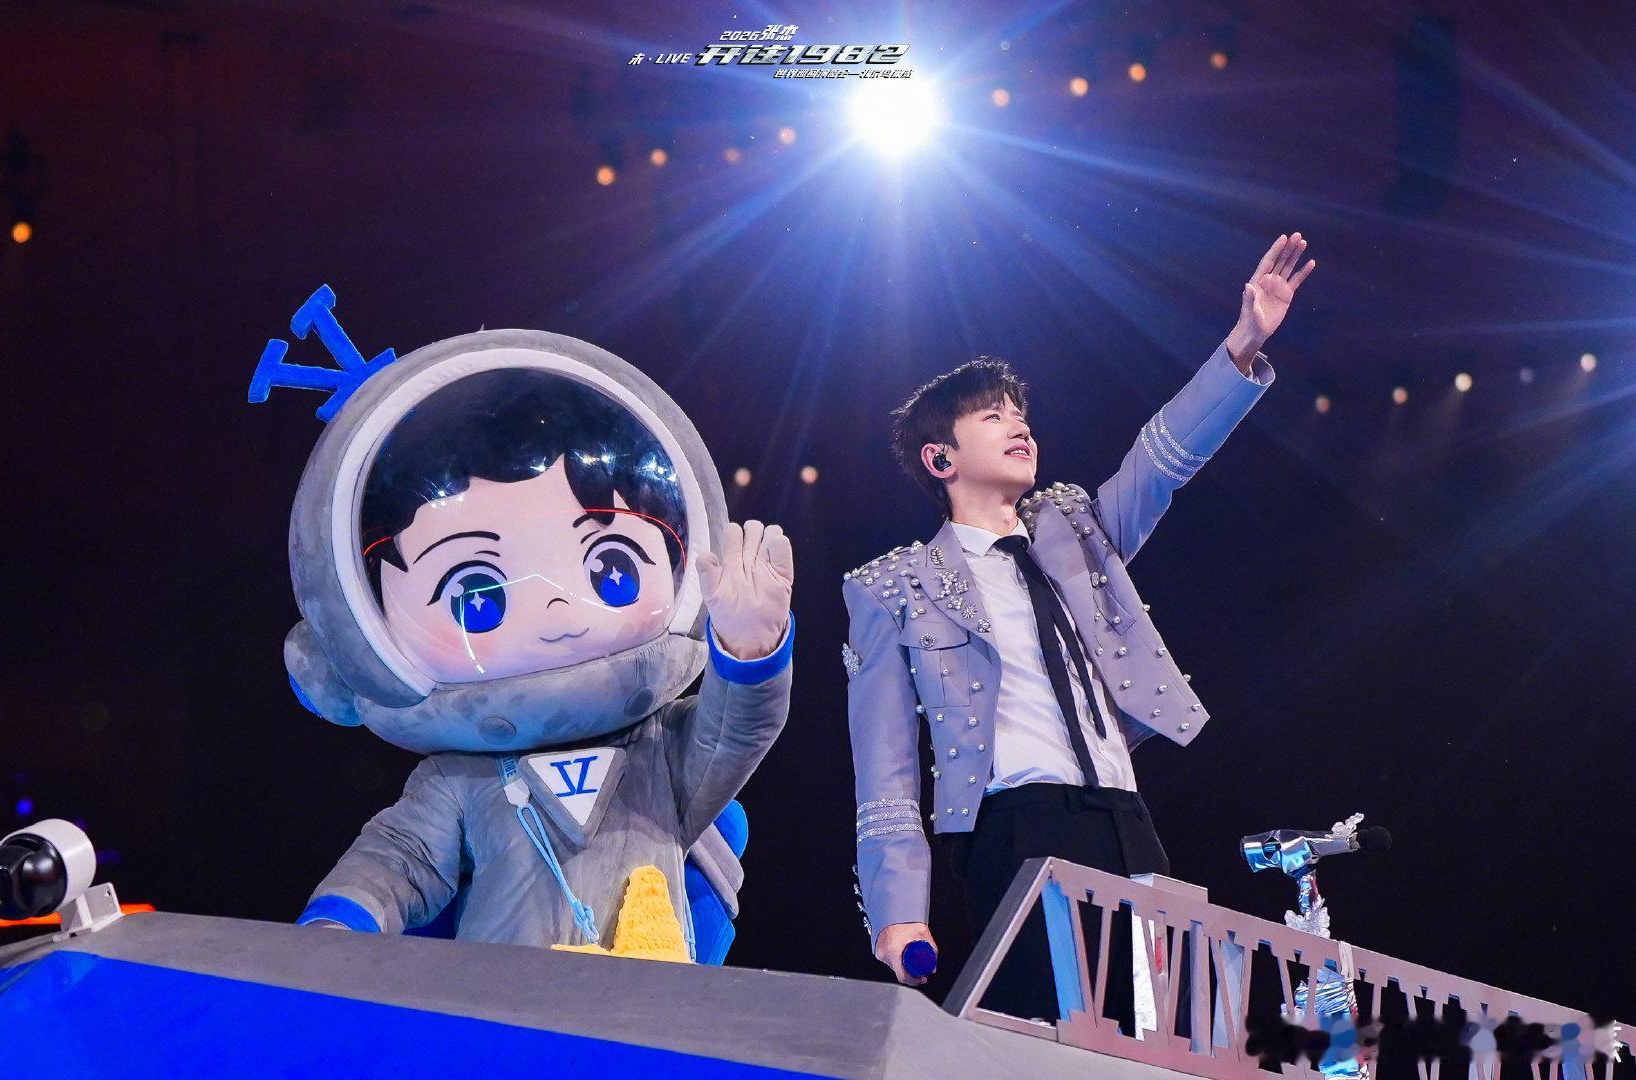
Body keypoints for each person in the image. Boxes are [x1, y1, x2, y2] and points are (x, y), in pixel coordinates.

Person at [844, 234, 1317, 1018]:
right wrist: (898, 913)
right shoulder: (895, 587)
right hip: (1017, 826)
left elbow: (1162, 463)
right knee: (1048, 1041)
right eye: (993, 416)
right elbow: (886, 766)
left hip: (1127, 819)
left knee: (1161, 1037)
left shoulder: (1075, 528)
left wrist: (1241, 345)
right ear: (940, 459)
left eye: (1022, 414)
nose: (1019, 427)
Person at [254, 316, 793, 959]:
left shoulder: (663, 750)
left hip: (654, 1012)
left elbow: (734, 730)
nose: (559, 607)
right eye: (478, 596)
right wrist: (340, 925)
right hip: (503, 1011)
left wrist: (750, 653)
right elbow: (401, 859)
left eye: (612, 568)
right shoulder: (457, 779)